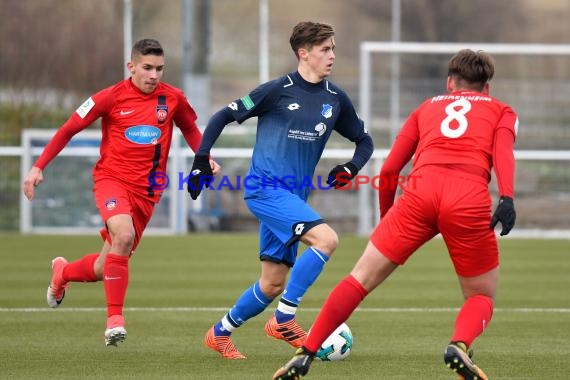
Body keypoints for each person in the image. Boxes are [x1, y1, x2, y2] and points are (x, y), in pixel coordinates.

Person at [273, 48, 517, 380]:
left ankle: (306, 352)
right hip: (467, 198)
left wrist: (389, 216)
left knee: (358, 280)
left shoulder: (425, 108)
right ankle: (459, 345)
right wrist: (507, 197)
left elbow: (389, 171)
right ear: (486, 87)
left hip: (418, 195)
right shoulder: (502, 110)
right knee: (481, 295)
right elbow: (502, 152)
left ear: (450, 82)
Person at [187, 21, 373, 359]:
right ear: (304, 54)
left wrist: (351, 167)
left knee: (272, 283)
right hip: (264, 189)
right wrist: (201, 158)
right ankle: (284, 319)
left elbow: (364, 140)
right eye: (325, 49)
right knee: (327, 239)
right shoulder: (277, 90)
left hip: (294, 197)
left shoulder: (335, 98)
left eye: (333, 48)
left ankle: (220, 333)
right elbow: (221, 116)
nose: (332, 55)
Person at [22, 38, 220, 347]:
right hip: (111, 181)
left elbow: (192, 130)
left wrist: (204, 156)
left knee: (105, 266)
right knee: (123, 235)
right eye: (147, 68)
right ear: (131, 66)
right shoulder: (109, 97)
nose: (154, 75)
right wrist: (38, 166)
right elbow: (68, 129)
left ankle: (62, 273)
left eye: (159, 69)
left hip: (148, 192)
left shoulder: (173, 99)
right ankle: (115, 320)